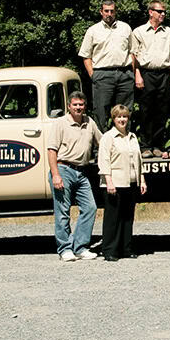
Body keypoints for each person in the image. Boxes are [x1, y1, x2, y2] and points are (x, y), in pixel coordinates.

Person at [46, 91, 102, 262]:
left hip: (82, 172)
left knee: (90, 207)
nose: (78, 107)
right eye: (75, 105)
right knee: (63, 212)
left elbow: (103, 141)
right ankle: (65, 249)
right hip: (63, 169)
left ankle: (79, 246)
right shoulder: (60, 123)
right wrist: (55, 174)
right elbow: (51, 150)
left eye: (81, 104)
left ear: (85, 106)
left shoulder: (89, 122)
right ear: (69, 106)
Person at [130, 0, 170, 157]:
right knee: (146, 111)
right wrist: (137, 74)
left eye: (164, 12)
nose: (163, 14)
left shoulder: (169, 32)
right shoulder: (139, 32)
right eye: (160, 11)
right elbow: (133, 55)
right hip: (146, 74)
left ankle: (158, 146)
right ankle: (145, 146)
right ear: (151, 12)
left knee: (162, 111)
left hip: (164, 74)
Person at [97, 104, 146, 261]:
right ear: (113, 119)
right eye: (119, 117)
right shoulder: (108, 137)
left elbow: (139, 161)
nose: (122, 119)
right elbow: (103, 161)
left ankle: (126, 248)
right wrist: (109, 181)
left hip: (131, 182)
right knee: (113, 219)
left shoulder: (132, 137)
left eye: (124, 116)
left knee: (127, 217)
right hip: (114, 183)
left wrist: (142, 180)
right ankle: (109, 250)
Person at [78, 0, 133, 131]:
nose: (109, 14)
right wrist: (93, 74)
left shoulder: (125, 28)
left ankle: (123, 142)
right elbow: (86, 55)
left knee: (124, 112)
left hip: (124, 74)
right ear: (101, 12)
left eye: (112, 11)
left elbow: (133, 51)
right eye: (106, 11)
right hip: (102, 74)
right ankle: (100, 147)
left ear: (115, 12)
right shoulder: (93, 30)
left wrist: (133, 73)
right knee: (101, 111)